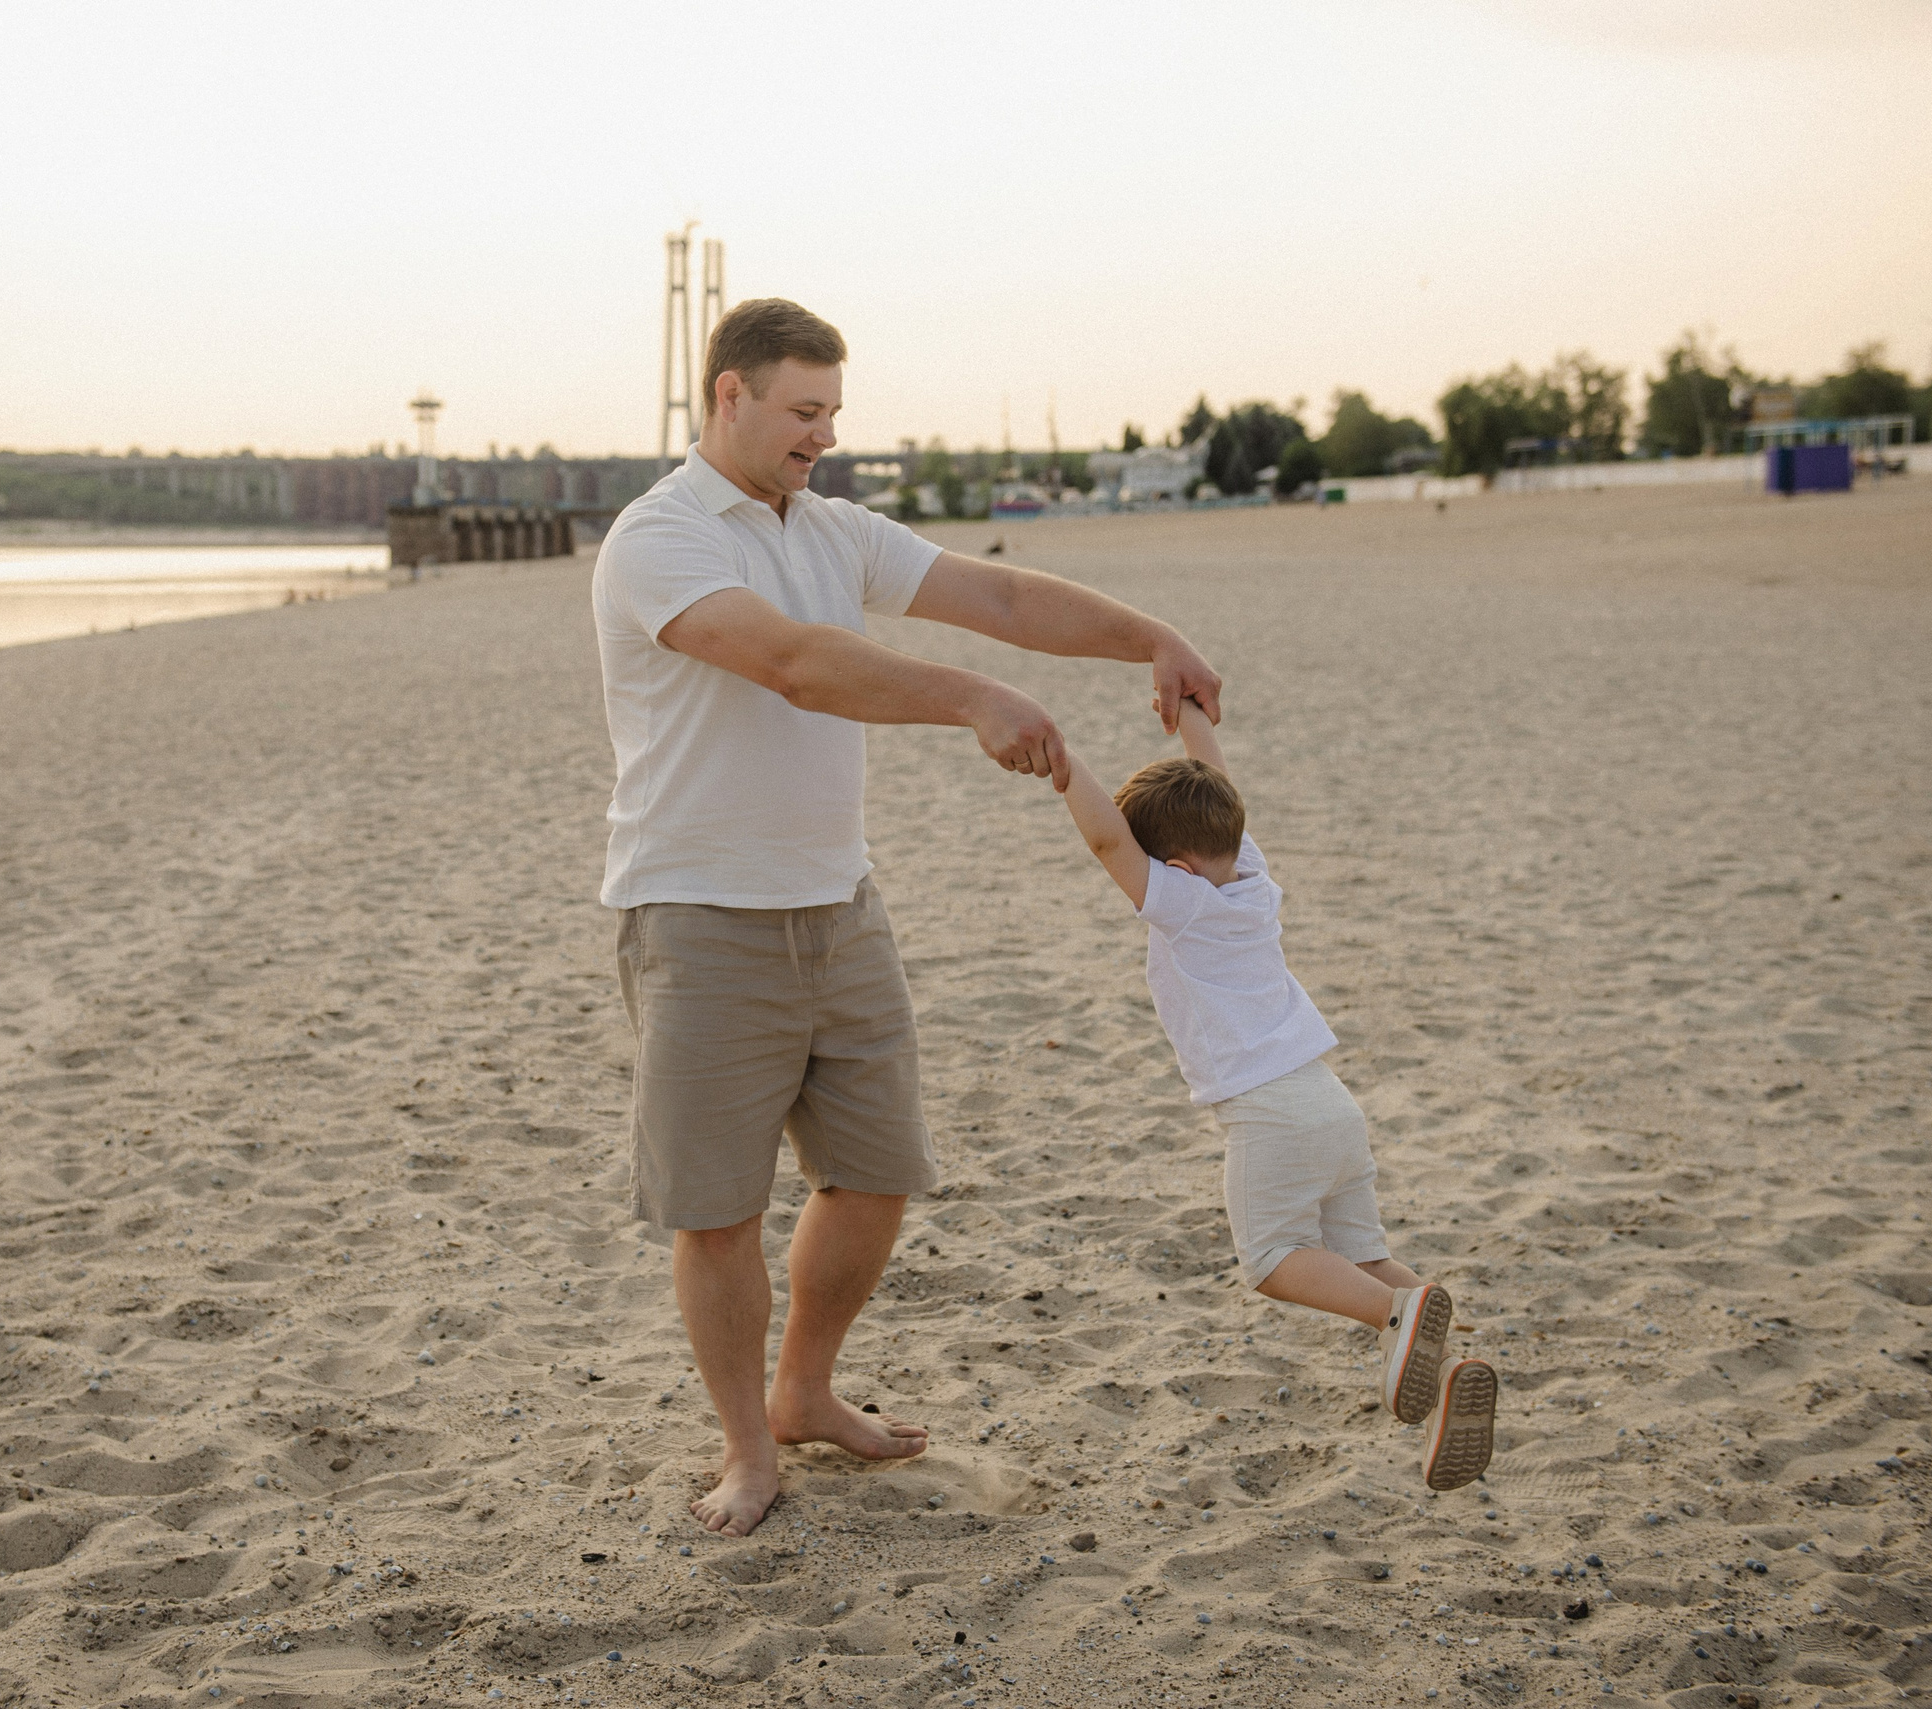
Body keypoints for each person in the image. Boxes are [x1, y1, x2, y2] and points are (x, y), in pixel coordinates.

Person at [592, 297, 1223, 1537]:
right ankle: (743, 1451)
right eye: (802, 410)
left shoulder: (830, 528)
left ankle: (804, 1389)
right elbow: (792, 664)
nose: (821, 434)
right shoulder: (657, 539)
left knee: (873, 1178)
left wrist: (1146, 635)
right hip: (700, 915)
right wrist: (971, 700)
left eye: (832, 410)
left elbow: (995, 596)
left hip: (841, 904)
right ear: (730, 396)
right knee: (716, 1210)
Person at [1051, 699, 1497, 1490]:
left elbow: (1105, 839)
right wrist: (1190, 712)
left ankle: (1395, 1314)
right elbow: (1218, 783)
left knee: (1270, 1259)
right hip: (1330, 1102)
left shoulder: (1184, 905)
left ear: (1176, 871)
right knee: (1361, 1256)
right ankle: (1445, 1357)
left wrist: (1059, 758)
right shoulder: (1250, 875)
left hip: (1270, 1112)